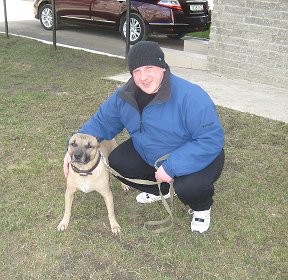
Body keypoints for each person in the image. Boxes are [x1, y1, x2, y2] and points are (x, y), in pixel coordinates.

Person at [63, 41, 225, 234]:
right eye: (137, 71)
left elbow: (210, 139)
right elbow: (100, 123)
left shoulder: (191, 96)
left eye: (149, 68)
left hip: (199, 154)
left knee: (188, 186)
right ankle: (160, 190)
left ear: (162, 67)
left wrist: (171, 167)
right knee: (118, 161)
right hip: (153, 152)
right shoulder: (124, 96)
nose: (143, 77)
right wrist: (71, 149)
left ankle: (201, 207)